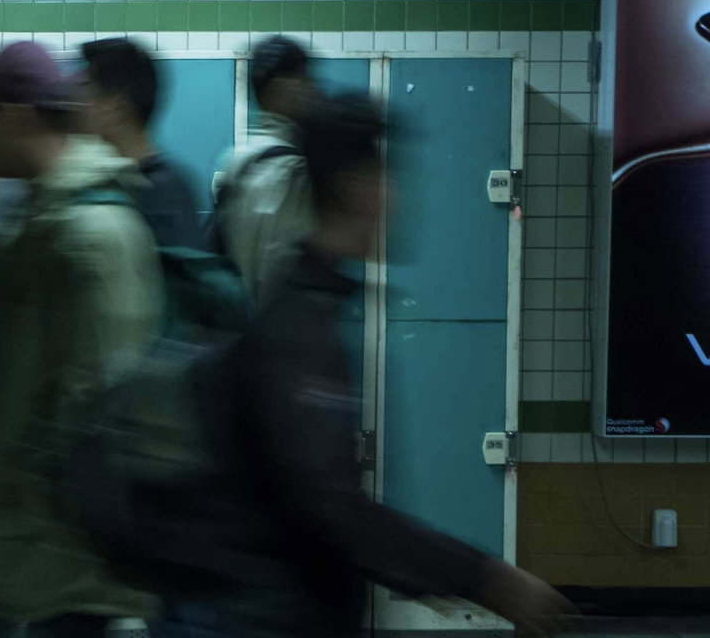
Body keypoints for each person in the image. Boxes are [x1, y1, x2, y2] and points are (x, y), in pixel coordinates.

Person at [152, 93, 573, 638]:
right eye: (388, 176)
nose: (397, 196)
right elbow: (332, 507)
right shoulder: (299, 326)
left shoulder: (311, 304)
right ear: (357, 185)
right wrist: (487, 579)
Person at [0, 41, 163, 638]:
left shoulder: (92, 233)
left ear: (14, 115)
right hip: (20, 551)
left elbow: (103, 410)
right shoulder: (37, 222)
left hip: (67, 571)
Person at [211, 35, 321, 302]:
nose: (314, 91)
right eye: (306, 80)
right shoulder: (290, 172)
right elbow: (279, 275)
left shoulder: (236, 160)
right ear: (284, 87)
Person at [78, 36, 205, 249]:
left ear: (117, 108)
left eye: (86, 94)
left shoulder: (158, 194)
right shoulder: (140, 184)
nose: (78, 107)